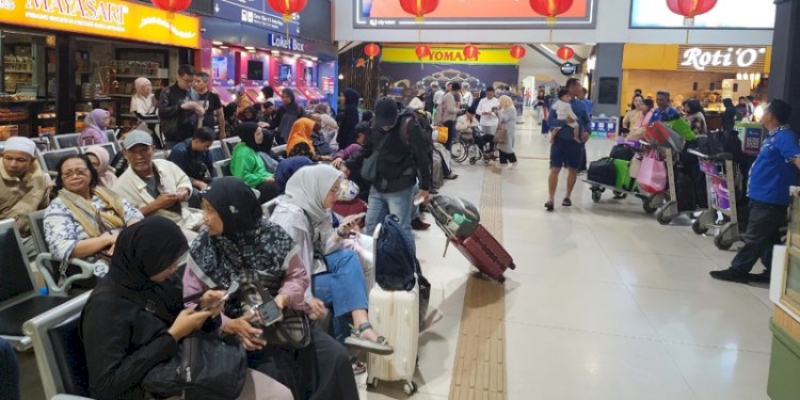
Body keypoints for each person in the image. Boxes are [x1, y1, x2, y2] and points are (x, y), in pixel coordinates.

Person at [81, 216, 292, 400]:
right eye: (167, 264)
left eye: (175, 262)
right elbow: (106, 385)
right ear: (146, 259)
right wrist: (172, 336)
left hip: (186, 368)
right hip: (154, 389)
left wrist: (204, 308)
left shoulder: (154, 280)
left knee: (278, 374)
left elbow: (181, 316)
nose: (174, 269)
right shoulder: (105, 308)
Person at [184, 178, 358, 398]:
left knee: (335, 358)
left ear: (233, 212)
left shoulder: (271, 235)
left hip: (284, 318)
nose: (204, 218)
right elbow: (192, 303)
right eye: (203, 210)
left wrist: (283, 298)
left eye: (210, 211)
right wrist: (229, 325)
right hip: (237, 334)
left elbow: (297, 275)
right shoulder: (202, 250)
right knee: (280, 374)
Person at [269, 165, 393, 354]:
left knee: (348, 257)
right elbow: (289, 270)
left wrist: (340, 232)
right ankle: (346, 347)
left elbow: (322, 249)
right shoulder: (290, 218)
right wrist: (307, 298)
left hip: (311, 268)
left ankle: (360, 325)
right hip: (291, 283)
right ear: (316, 186)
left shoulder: (315, 207)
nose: (336, 196)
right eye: (333, 190)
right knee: (344, 283)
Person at [710, 100, 800, 284]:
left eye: (765, 111)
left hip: (771, 197)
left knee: (754, 237)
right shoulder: (773, 136)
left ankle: (738, 270)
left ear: (771, 116)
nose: (762, 114)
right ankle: (773, 272)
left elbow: (797, 159)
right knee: (768, 238)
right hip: (761, 196)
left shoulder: (784, 137)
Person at [44, 154, 142, 278]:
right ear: (61, 180)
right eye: (68, 174)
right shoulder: (58, 207)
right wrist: (110, 239)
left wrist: (125, 238)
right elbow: (60, 248)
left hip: (125, 250)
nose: (74, 176)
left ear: (91, 173)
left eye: (80, 172)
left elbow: (134, 215)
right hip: (90, 267)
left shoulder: (105, 195)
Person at [361, 98, 433, 238]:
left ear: (397, 114)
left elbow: (422, 157)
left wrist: (425, 187)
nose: (386, 126)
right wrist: (347, 159)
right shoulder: (373, 124)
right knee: (370, 226)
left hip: (400, 187)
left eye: (389, 122)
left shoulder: (409, 125)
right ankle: (373, 259)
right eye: (383, 123)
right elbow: (368, 149)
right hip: (377, 186)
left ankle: (406, 260)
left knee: (400, 229)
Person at [113, 131, 203, 233]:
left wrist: (183, 190)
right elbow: (123, 220)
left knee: (219, 225)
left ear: (153, 150)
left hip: (187, 217)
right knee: (198, 241)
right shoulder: (120, 187)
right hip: (163, 231)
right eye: (133, 152)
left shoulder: (165, 165)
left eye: (144, 150)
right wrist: (156, 205)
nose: (139, 156)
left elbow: (183, 179)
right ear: (125, 154)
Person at [545, 78, 591, 211]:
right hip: (559, 141)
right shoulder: (556, 103)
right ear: (571, 87)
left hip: (576, 143)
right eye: (579, 86)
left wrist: (587, 131)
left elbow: (587, 121)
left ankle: (567, 196)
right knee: (555, 169)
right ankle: (550, 198)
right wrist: (565, 122)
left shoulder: (581, 105)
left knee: (572, 169)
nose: (581, 89)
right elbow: (550, 121)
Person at [1, 136, 49, 235]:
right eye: (8, 158)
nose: (13, 164)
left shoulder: (40, 179)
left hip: (31, 233)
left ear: (32, 161)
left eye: (20, 160)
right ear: (2, 156)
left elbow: (42, 211)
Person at [158, 64, 203, 149]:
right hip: (173, 137)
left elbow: (197, 115)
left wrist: (199, 112)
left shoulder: (194, 93)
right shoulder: (167, 92)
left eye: (192, 81)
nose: (190, 84)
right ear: (178, 77)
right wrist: (181, 107)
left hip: (191, 136)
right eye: (187, 81)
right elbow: (162, 112)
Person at [167, 127, 216, 191]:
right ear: (197, 141)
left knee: (217, 182)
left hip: (197, 179)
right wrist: (198, 183)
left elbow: (211, 168)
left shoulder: (205, 151)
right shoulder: (179, 151)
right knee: (196, 193)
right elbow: (179, 176)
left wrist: (216, 183)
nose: (207, 149)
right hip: (180, 183)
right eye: (206, 146)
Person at [194, 72, 226, 139]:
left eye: (198, 81)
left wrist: (222, 131)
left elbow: (220, 114)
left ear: (206, 82)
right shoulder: (190, 95)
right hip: (192, 129)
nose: (195, 83)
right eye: (194, 81)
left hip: (208, 130)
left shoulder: (213, 96)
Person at [436, 82, 461, 150]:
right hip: (448, 119)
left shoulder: (448, 95)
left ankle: (446, 152)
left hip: (446, 119)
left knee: (446, 138)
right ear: (457, 89)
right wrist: (458, 110)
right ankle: (447, 153)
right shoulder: (450, 96)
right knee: (448, 139)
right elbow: (450, 109)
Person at [497, 95, 519, 169]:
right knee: (500, 146)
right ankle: (503, 163)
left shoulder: (511, 109)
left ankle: (514, 162)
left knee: (507, 147)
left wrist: (499, 112)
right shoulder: (505, 108)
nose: (500, 104)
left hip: (508, 130)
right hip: (502, 130)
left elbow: (504, 118)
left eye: (501, 102)